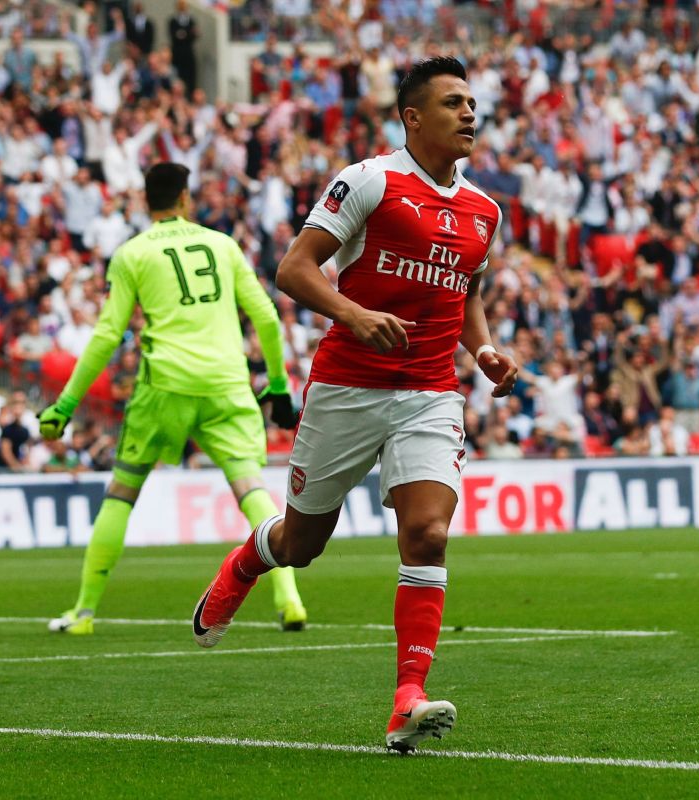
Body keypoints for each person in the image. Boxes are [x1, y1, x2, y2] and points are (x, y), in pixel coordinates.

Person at [190, 57, 518, 753]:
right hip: (348, 386)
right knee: (302, 547)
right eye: (453, 103)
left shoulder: (485, 211)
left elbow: (469, 296)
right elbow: (294, 268)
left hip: (430, 392)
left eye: (472, 103)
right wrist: (353, 312)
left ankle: (408, 698)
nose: (469, 114)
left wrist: (484, 350)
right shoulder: (370, 181)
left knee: (427, 533)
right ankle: (247, 563)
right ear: (412, 117)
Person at [39, 162, 307, 636]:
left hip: (164, 386)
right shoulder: (222, 245)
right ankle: (289, 600)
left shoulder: (132, 253)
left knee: (122, 492)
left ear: (147, 202)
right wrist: (279, 384)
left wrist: (64, 405)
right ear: (186, 199)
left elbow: (106, 335)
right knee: (253, 492)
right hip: (227, 384)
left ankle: (82, 613)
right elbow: (266, 316)